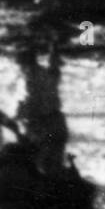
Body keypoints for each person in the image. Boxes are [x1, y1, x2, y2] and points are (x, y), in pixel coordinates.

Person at [14, 45, 69, 174]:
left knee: (40, 165)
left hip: (43, 127)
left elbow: (33, 102)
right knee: (55, 164)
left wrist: (19, 114)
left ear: (25, 64)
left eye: (20, 65)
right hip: (57, 124)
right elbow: (54, 70)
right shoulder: (47, 73)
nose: (20, 69)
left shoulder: (30, 78)